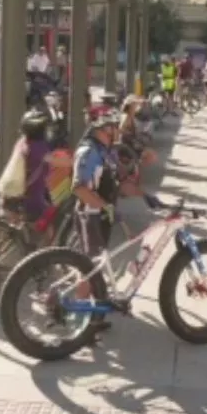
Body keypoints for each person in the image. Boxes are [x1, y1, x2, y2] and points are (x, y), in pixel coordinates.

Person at [71, 115, 122, 333]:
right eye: (112, 128)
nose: (116, 131)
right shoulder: (89, 152)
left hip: (100, 217)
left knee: (94, 265)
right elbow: (80, 188)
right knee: (88, 269)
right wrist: (104, 206)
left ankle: (94, 317)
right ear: (101, 130)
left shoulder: (105, 151)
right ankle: (79, 322)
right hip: (89, 216)